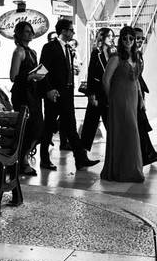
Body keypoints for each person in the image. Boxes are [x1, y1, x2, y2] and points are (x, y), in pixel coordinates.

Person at [39, 18, 98, 171]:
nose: (73, 32)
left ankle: (80, 158)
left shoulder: (68, 48)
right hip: (55, 93)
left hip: (66, 93)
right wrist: (48, 89)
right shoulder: (50, 47)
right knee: (49, 126)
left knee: (70, 127)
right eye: (71, 30)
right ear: (63, 31)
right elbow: (42, 70)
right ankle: (44, 159)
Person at [100, 26, 145, 182]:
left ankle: (128, 170)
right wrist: (111, 97)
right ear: (121, 40)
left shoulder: (136, 56)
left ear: (134, 40)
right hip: (119, 99)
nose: (128, 41)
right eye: (125, 38)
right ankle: (130, 171)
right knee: (129, 133)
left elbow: (137, 80)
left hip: (132, 98)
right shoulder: (116, 57)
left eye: (131, 38)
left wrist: (141, 98)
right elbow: (106, 80)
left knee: (129, 133)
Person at [9, 21, 46, 176]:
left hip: (33, 94)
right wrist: (31, 76)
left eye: (31, 31)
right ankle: (21, 161)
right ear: (19, 34)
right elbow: (13, 76)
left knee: (38, 129)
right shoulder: (19, 51)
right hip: (22, 95)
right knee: (28, 129)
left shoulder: (33, 52)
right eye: (26, 31)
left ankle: (22, 158)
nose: (30, 34)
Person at [133, 27, 157, 165]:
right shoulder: (128, 55)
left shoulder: (139, 54)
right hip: (132, 95)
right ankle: (147, 154)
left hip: (139, 93)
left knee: (141, 126)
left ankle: (148, 154)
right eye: (137, 38)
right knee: (140, 125)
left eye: (142, 38)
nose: (140, 40)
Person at [79, 27, 113, 151]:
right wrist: (91, 94)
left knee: (111, 124)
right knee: (90, 124)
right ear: (102, 37)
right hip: (97, 93)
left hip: (108, 94)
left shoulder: (112, 53)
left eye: (112, 36)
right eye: (109, 36)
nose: (111, 39)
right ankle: (82, 154)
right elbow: (91, 74)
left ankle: (115, 150)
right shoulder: (96, 53)